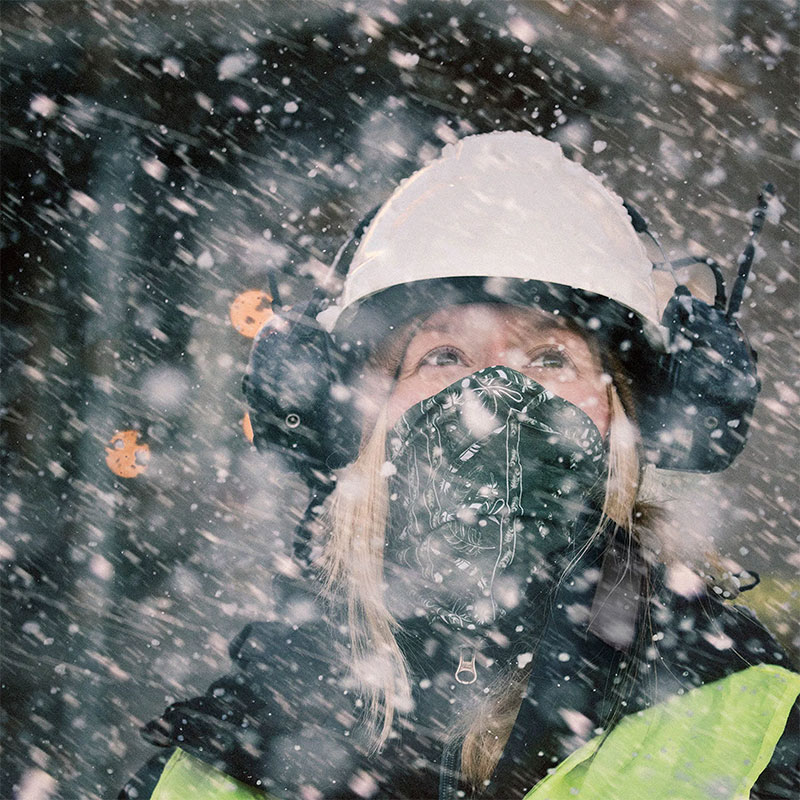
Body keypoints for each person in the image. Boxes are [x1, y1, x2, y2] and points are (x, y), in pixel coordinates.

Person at [120, 132, 799, 799]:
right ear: (363, 421)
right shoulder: (228, 758)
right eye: (445, 357)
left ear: (621, 419)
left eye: (550, 359)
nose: (494, 398)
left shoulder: (749, 722)